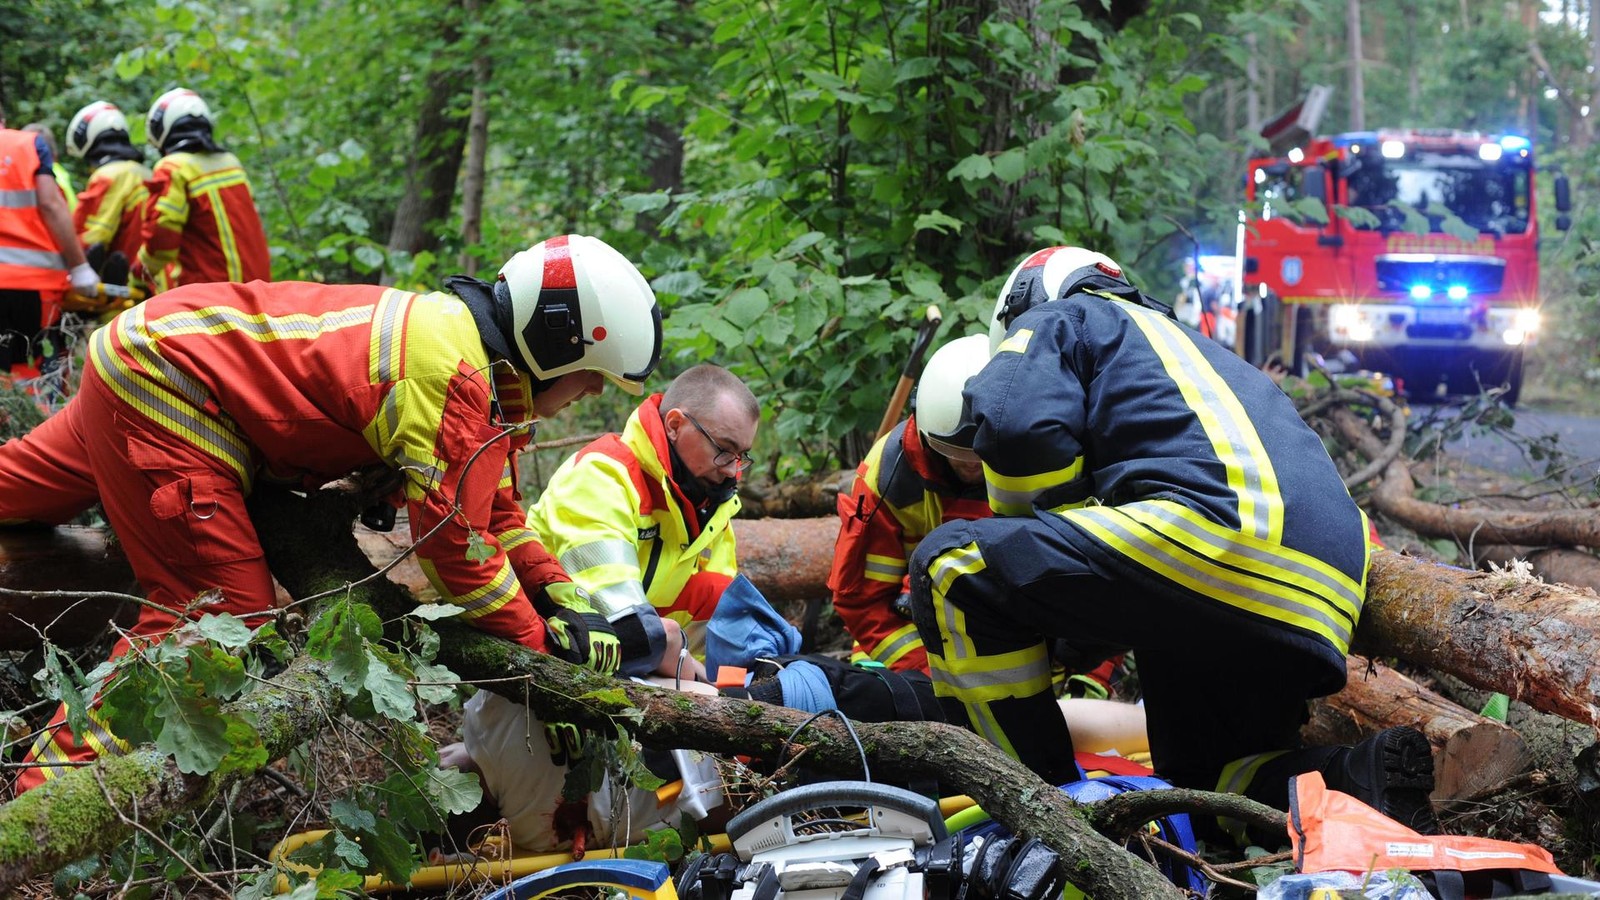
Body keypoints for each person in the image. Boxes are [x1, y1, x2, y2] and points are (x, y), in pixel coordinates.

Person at [0, 233, 660, 791]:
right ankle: (43, 797)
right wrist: (539, 643)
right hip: (171, 383)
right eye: (592, 374)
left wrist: (562, 595)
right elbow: (456, 545)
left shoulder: (476, 365)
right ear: (556, 345)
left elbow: (497, 513)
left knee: (14, 490)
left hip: (152, 346)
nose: (591, 392)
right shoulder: (458, 384)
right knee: (217, 617)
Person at [907, 246, 1438, 835]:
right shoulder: (1197, 351)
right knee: (1205, 780)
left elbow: (1016, 428)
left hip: (1213, 534)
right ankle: (1359, 780)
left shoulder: (1061, 316)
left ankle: (1041, 818)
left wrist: (1035, 571)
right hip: (1320, 593)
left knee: (954, 567)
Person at [525, 363, 759, 680]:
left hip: (646, 664)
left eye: (741, 455)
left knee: (720, 595)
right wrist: (689, 671)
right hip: (550, 661)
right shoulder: (603, 474)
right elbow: (618, 618)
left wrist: (735, 685)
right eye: (724, 450)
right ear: (675, 425)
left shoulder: (712, 504)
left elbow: (724, 622)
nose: (732, 470)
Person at [827, 334, 993, 673]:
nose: (971, 466)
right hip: (901, 644)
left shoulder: (1041, 461)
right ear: (926, 431)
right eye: (955, 454)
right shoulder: (887, 474)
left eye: (980, 454)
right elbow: (862, 602)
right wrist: (931, 676)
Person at [134, 88, 270, 292]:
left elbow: (161, 238)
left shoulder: (173, 167)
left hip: (210, 294)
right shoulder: (230, 162)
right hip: (256, 290)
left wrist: (139, 274)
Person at [0, 102, 98, 373]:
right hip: (29, 284)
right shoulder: (28, 145)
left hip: (28, 282)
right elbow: (51, 205)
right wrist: (80, 268)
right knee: (29, 367)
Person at [66, 101, 152, 264]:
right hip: (149, 271)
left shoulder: (107, 176)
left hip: (120, 275)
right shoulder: (147, 173)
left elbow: (92, 236)